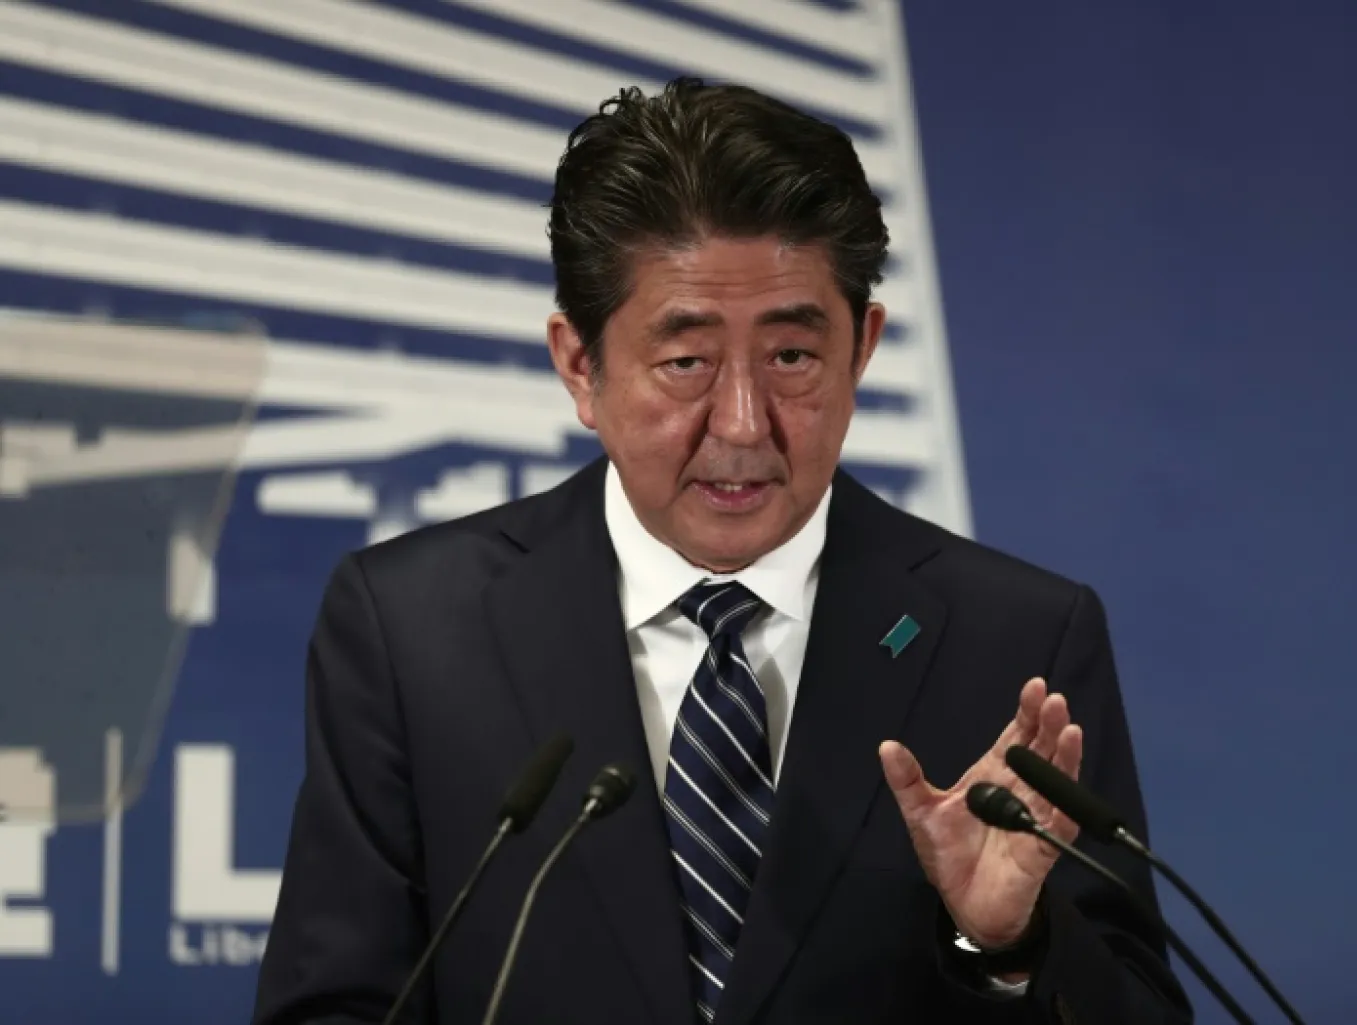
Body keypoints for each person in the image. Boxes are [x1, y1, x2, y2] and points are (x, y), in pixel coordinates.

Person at [253, 78, 1191, 1025]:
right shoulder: (414, 630)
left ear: (861, 350)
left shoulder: (1017, 643)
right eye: (686, 362)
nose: (742, 424)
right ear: (580, 365)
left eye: (791, 357)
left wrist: (1004, 946)